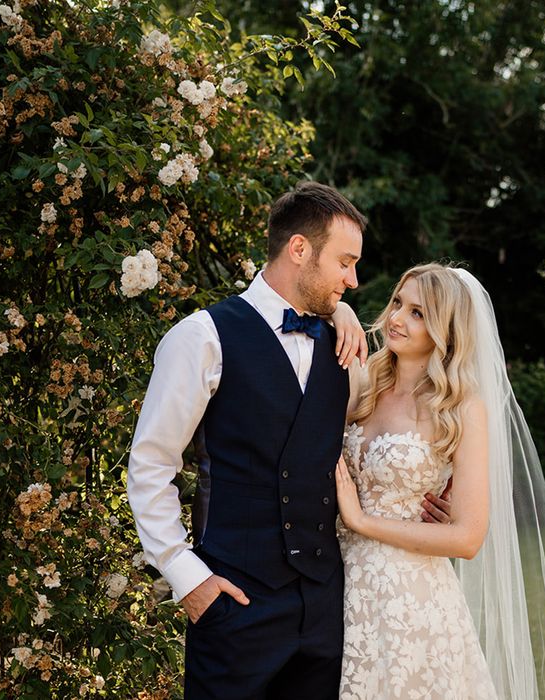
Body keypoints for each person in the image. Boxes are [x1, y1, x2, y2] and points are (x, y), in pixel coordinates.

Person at [127, 181, 370, 699]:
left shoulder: (343, 344)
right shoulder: (202, 336)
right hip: (235, 602)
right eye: (345, 263)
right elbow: (151, 464)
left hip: (324, 608)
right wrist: (187, 577)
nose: (353, 280)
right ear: (299, 249)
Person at [335, 263, 545, 700]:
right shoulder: (365, 381)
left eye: (419, 313)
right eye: (398, 303)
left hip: (411, 599)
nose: (397, 319)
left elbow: (467, 538)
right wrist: (341, 312)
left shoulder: (460, 408)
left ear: (446, 329)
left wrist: (360, 521)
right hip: (338, 585)